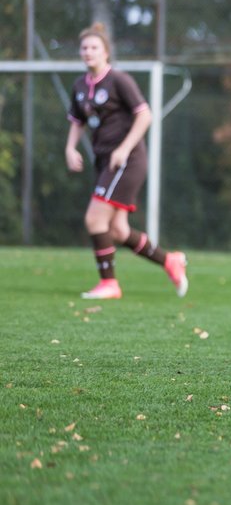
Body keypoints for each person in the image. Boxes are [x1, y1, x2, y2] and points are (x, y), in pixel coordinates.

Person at [65, 22, 189, 300]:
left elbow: (144, 116)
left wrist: (123, 149)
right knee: (118, 230)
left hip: (126, 159)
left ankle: (109, 284)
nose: (88, 52)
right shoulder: (79, 86)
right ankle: (169, 260)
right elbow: (77, 121)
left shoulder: (119, 80)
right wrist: (70, 148)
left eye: (94, 47)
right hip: (104, 161)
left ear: (106, 52)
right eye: (84, 48)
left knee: (94, 219)